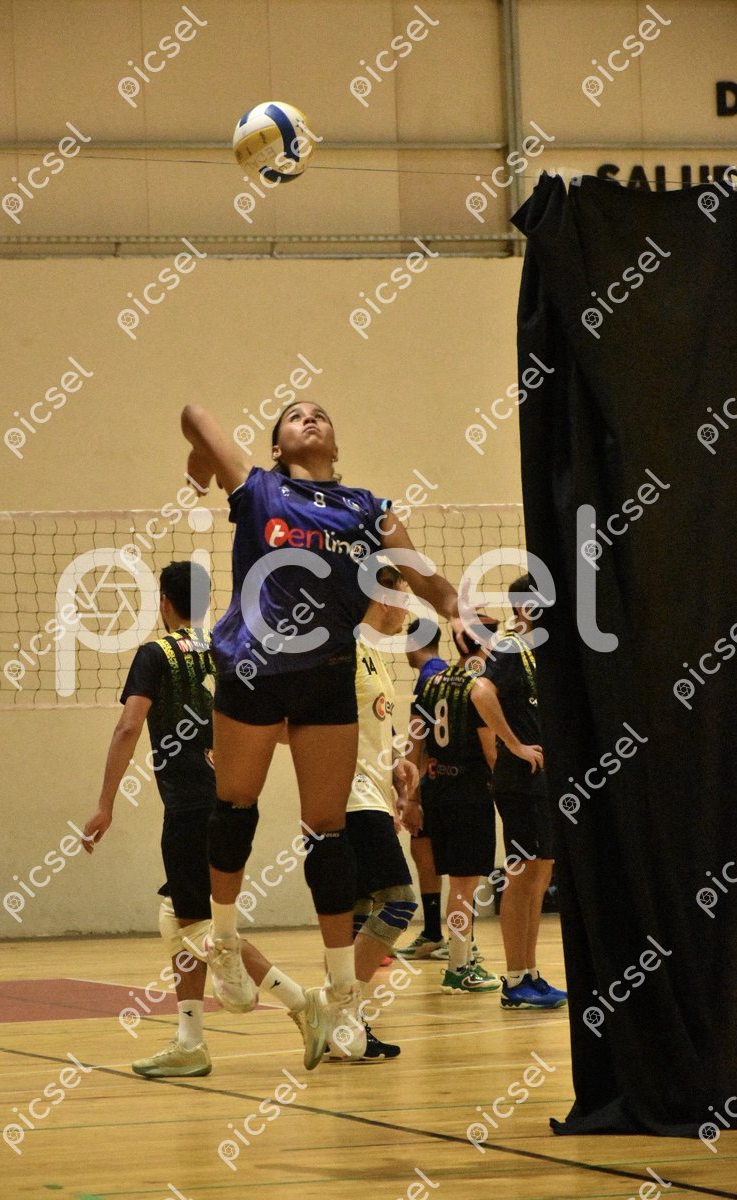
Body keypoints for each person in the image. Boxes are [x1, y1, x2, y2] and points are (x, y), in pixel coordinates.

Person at [179, 399, 470, 1059]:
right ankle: (223, 941)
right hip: (252, 667)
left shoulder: (369, 509)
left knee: (327, 833)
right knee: (235, 809)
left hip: (327, 673)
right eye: (294, 416)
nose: (309, 418)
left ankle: (342, 997)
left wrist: (454, 605)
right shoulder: (258, 489)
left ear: (335, 444)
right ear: (276, 446)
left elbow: (420, 572)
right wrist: (201, 461)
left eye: (320, 415)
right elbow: (196, 413)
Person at [81, 561, 330, 1076]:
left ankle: (301, 1002)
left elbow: (128, 726)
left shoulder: (156, 654)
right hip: (227, 802)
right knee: (177, 916)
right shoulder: (226, 650)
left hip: (188, 808)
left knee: (197, 926)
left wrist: (105, 803)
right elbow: (277, 723)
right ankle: (190, 1040)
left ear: (164, 602)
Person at [470, 573, 567, 1010]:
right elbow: (480, 692)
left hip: (539, 780)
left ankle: (530, 973)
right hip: (519, 779)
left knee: (540, 876)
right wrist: (513, 744)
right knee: (522, 875)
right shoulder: (511, 646)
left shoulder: (537, 653)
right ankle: (513, 978)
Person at [334, 564, 419, 1060]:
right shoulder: (341, 648)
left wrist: (398, 763)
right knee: (399, 902)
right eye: (404, 599)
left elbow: (374, 726)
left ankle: (344, 1026)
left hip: (373, 794)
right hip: (349, 797)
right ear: (383, 599)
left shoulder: (373, 654)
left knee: (357, 912)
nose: (407, 611)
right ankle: (339, 1011)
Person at [401, 618, 502, 995]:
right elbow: (491, 752)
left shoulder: (432, 684)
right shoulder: (478, 687)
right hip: (469, 791)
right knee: (464, 885)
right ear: (484, 646)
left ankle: (459, 955)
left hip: (438, 791)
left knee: (458, 883)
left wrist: (413, 796)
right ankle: (459, 966)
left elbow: (414, 741)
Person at [398, 619, 448, 960]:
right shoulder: (440, 671)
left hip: (435, 781)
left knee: (434, 853)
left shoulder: (429, 676)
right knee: (425, 850)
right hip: (440, 778)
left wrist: (412, 794)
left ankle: (452, 938)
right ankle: (435, 934)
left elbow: (420, 736)